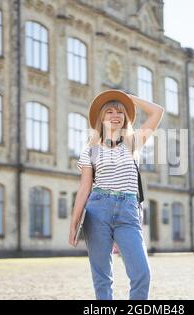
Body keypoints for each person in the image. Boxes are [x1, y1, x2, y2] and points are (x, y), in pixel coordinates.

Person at [69, 90, 164, 300]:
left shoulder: (133, 143)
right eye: (109, 111)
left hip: (127, 211)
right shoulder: (90, 150)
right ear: (101, 118)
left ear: (125, 118)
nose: (115, 115)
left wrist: (129, 98)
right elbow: (84, 188)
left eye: (120, 112)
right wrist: (74, 222)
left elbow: (158, 112)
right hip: (97, 211)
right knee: (102, 276)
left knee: (142, 274)